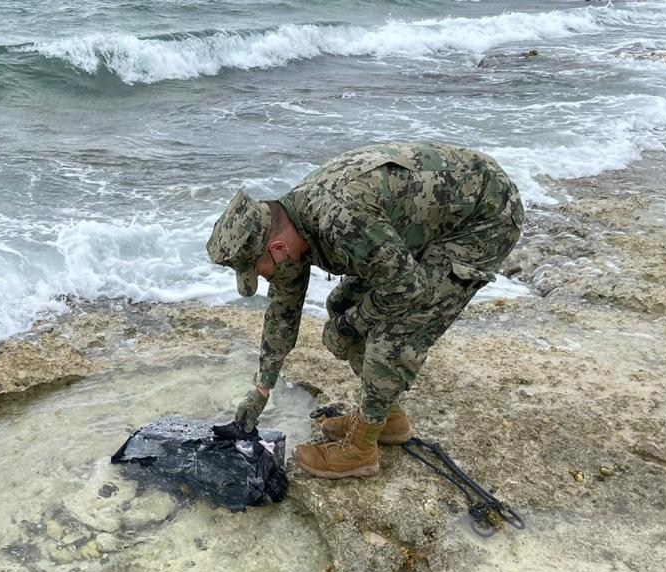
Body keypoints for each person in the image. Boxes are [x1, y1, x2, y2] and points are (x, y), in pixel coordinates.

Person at [206, 142, 524, 479]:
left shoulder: (342, 219)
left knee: (393, 330)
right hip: (431, 217)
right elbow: (283, 308)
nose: (262, 277)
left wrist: (351, 325)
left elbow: (409, 289)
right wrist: (261, 389)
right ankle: (387, 418)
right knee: (341, 303)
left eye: (258, 270)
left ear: (277, 248)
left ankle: (361, 450)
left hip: (484, 218)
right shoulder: (289, 223)